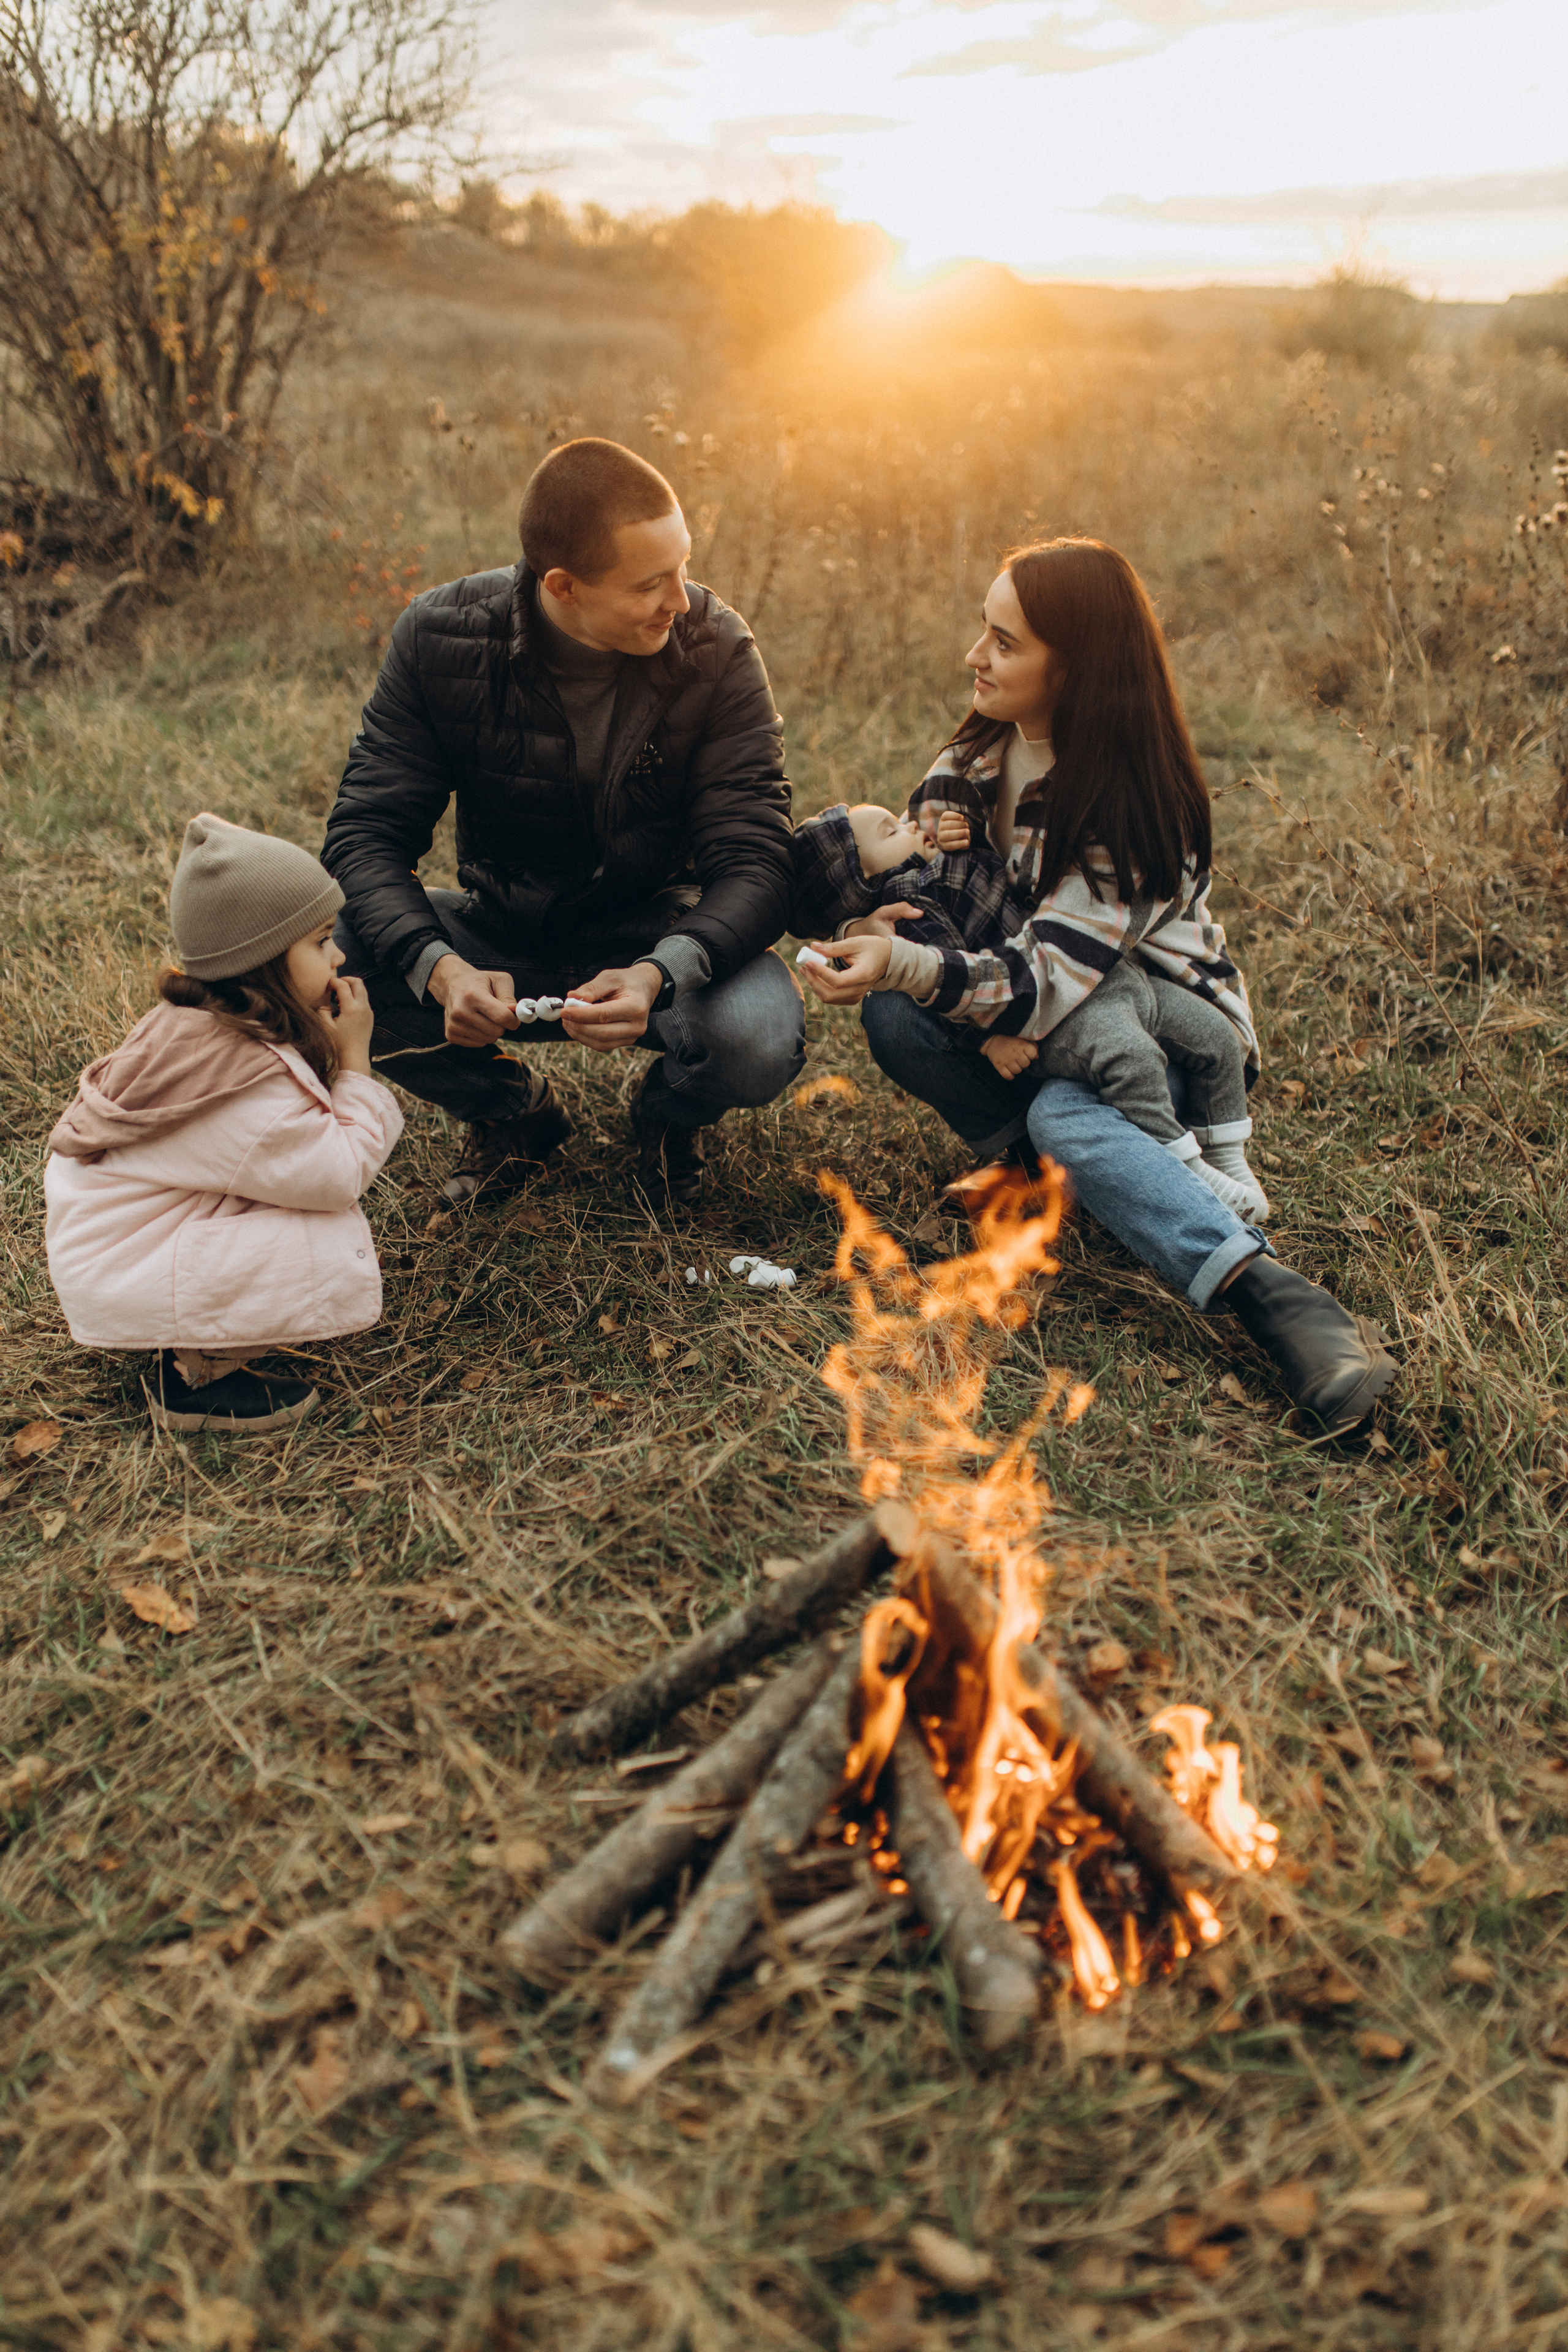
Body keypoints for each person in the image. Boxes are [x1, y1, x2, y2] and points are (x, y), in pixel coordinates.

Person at [799, 539, 1395, 1434]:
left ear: (1072, 671)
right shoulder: (978, 753)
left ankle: (1272, 1295)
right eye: (984, 631)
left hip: (1159, 1042)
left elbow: (1043, 983)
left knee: (1060, 1113)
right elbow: (916, 881)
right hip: (1050, 1023)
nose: (975, 656)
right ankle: (1053, 1183)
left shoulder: (1132, 812)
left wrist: (915, 965)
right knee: (897, 1014)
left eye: (1005, 642)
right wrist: (869, 930)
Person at [322, 436, 805, 1211]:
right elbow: (365, 835)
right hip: (502, 928)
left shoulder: (715, 646)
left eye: (683, 568)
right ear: (563, 585)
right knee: (332, 968)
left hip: (661, 935)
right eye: (652, 584)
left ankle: (665, 1122)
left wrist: (661, 971)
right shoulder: (439, 638)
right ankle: (514, 1117)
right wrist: (440, 967)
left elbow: (757, 858)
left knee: (759, 1033)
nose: (681, 601)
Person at [43, 814, 404, 1438]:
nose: (339, 954)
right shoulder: (238, 1085)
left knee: (290, 1203)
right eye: (320, 942)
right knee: (324, 1228)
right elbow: (338, 1173)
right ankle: (194, 1379)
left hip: (114, 1247)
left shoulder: (201, 1028)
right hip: (125, 1264)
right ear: (264, 959)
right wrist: (354, 1063)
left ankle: (188, 1331)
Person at [790, 799, 1268, 1219]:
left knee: (1214, 1033)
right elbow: (943, 986)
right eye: (893, 831)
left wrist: (969, 833)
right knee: (1131, 1059)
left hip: (1107, 973)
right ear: (869, 880)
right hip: (1051, 1012)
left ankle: (1228, 1156)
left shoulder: (942, 858)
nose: (913, 824)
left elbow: (1010, 865)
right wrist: (988, 1038)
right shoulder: (911, 912)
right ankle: (1187, 1174)